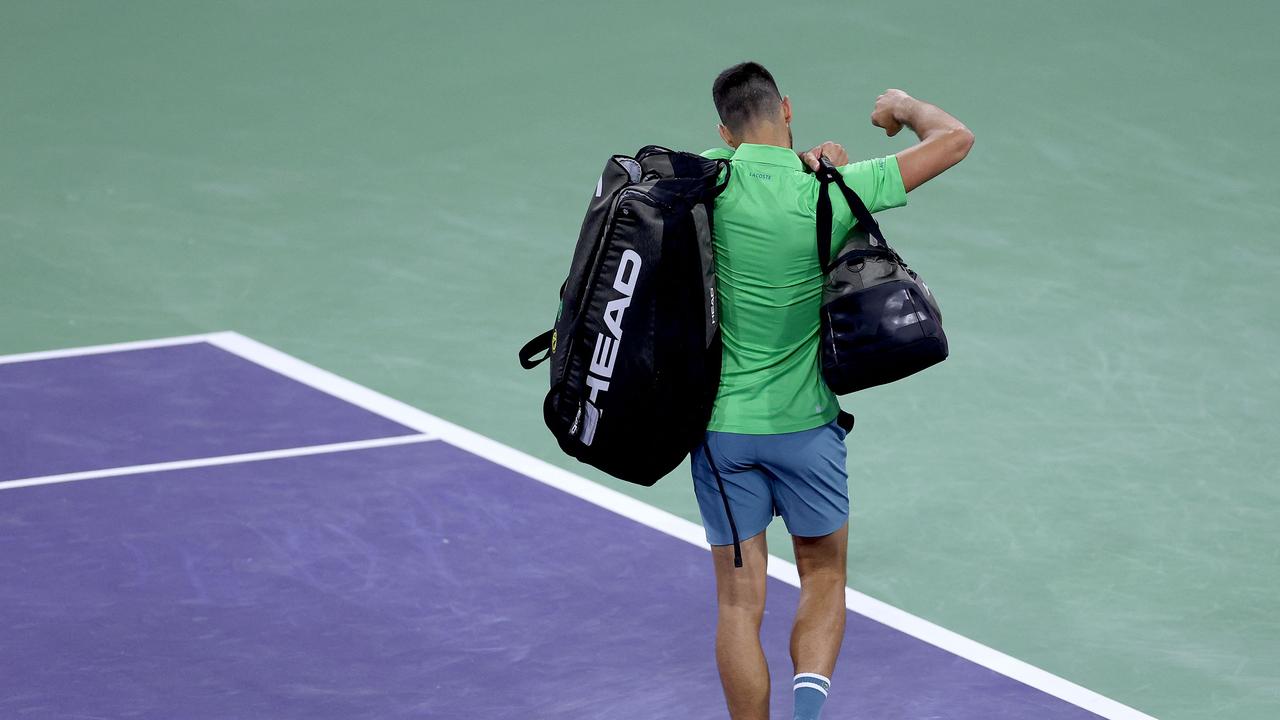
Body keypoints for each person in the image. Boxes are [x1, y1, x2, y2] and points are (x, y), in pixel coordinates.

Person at [693, 62, 974, 720]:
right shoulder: (836, 188)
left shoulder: (706, 176)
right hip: (807, 432)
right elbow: (956, 139)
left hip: (722, 432)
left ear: (725, 131)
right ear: (786, 108)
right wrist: (902, 104)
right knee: (822, 575)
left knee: (739, 601)